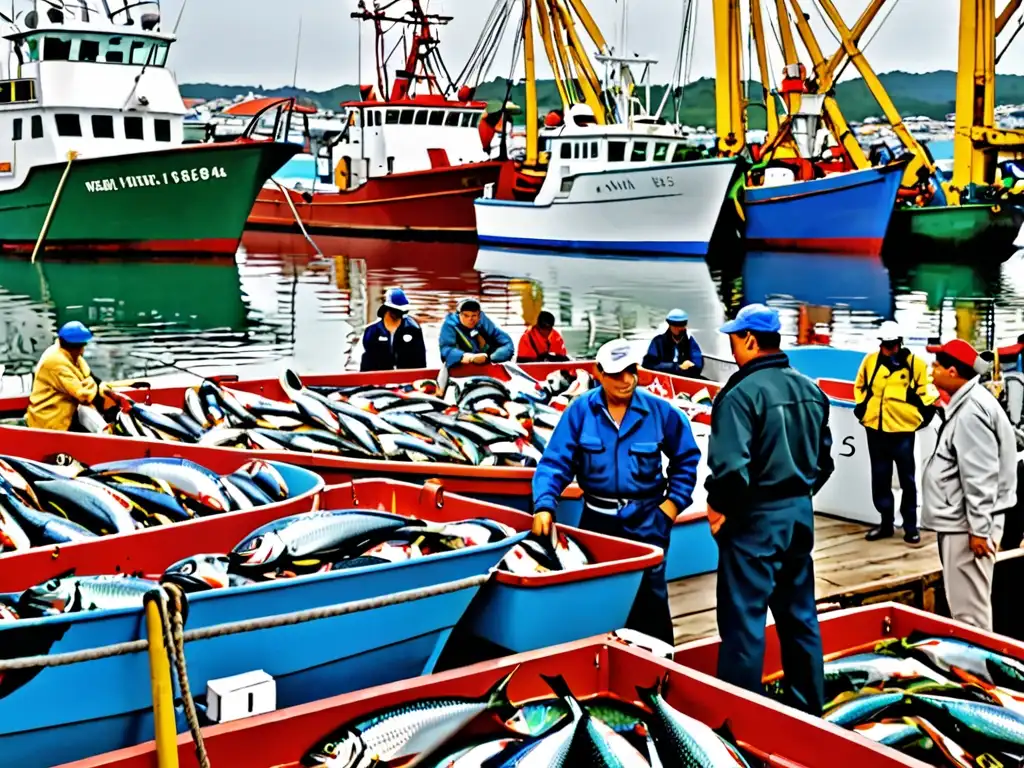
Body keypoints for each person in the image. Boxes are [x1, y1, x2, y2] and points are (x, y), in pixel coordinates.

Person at [705, 304, 834, 715]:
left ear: (748, 339)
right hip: (799, 516)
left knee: (744, 624)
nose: (731, 345)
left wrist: (718, 507)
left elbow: (731, 472)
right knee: (800, 618)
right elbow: (824, 462)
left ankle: (739, 725)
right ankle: (809, 710)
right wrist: (798, 494)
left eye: (733, 338)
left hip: (754, 521)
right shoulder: (812, 390)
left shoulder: (739, 395)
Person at [531, 339, 701, 646]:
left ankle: (661, 666)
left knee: (650, 596)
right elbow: (555, 462)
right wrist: (544, 504)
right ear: (598, 373)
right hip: (597, 520)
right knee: (596, 596)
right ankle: (600, 661)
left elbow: (686, 458)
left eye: (631, 371)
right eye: (617, 373)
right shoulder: (580, 412)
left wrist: (672, 506)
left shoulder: (660, 412)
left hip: (648, 520)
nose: (627, 380)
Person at [922, 339, 1017, 632]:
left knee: (970, 615)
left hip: (966, 527)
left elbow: (980, 477)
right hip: (960, 522)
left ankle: (977, 675)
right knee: (966, 606)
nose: (931, 369)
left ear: (952, 371)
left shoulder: (971, 413)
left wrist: (979, 530)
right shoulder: (969, 402)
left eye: (937, 366)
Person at [853, 321, 939, 545]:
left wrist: (922, 416)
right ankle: (886, 523)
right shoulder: (870, 362)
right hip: (876, 429)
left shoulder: (915, 365)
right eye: (885, 345)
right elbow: (860, 385)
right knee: (880, 479)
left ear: (900, 344)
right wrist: (862, 407)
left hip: (902, 431)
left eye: (893, 345)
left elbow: (927, 392)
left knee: (907, 480)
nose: (889, 349)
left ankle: (910, 526)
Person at [26, 321, 110, 431]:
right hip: (52, 420)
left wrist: (98, 386)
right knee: (91, 414)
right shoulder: (56, 362)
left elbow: (89, 376)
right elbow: (83, 396)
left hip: (67, 410)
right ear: (75, 347)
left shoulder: (70, 356)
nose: (82, 351)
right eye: (81, 347)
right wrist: (93, 386)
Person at [359, 287, 427, 372]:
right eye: (397, 310)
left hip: (407, 380)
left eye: (403, 311)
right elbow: (367, 363)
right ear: (387, 308)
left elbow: (421, 361)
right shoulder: (372, 331)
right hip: (379, 380)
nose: (401, 314)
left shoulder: (413, 330)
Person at [438, 298, 514, 368]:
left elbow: (507, 343)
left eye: (474, 315)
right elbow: (446, 350)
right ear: (459, 315)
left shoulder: (483, 322)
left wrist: (490, 358)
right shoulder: (450, 325)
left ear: (479, 315)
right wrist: (470, 358)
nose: (470, 319)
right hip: (461, 367)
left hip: (487, 364)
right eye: (466, 315)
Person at [642, 309, 704, 378]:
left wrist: (691, 366)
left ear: (685, 326)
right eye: (674, 325)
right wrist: (676, 367)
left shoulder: (690, 341)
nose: (677, 328)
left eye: (681, 325)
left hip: (684, 379)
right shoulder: (658, 342)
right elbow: (648, 364)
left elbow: (698, 364)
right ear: (669, 325)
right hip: (662, 378)